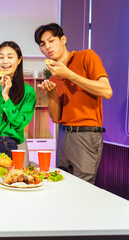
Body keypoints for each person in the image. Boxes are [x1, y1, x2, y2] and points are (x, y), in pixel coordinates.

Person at [34, 23, 113, 184]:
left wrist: (70, 75)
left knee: (82, 188)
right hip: (63, 134)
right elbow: (56, 118)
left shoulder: (86, 56)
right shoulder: (53, 76)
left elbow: (106, 91)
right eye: (42, 45)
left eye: (51, 41)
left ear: (63, 39)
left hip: (86, 134)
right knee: (62, 184)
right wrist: (51, 93)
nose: (47, 47)